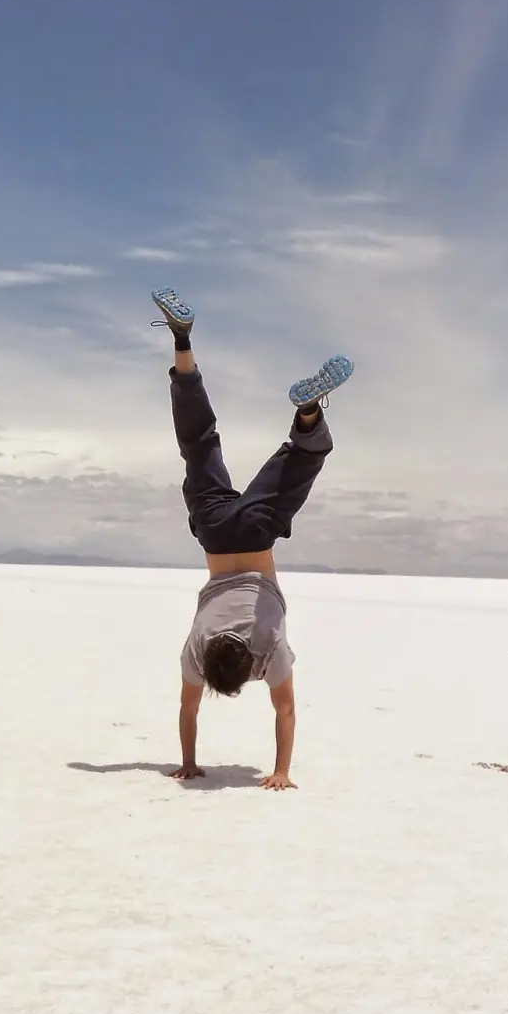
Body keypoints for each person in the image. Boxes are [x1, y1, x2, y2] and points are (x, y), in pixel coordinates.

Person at [154, 287, 354, 791]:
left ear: (248, 665)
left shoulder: (267, 649)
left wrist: (282, 770)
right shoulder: (198, 649)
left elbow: (285, 712)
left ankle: (308, 413)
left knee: (301, 461)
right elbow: (186, 708)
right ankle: (182, 339)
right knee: (197, 445)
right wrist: (188, 762)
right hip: (216, 533)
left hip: (258, 533)